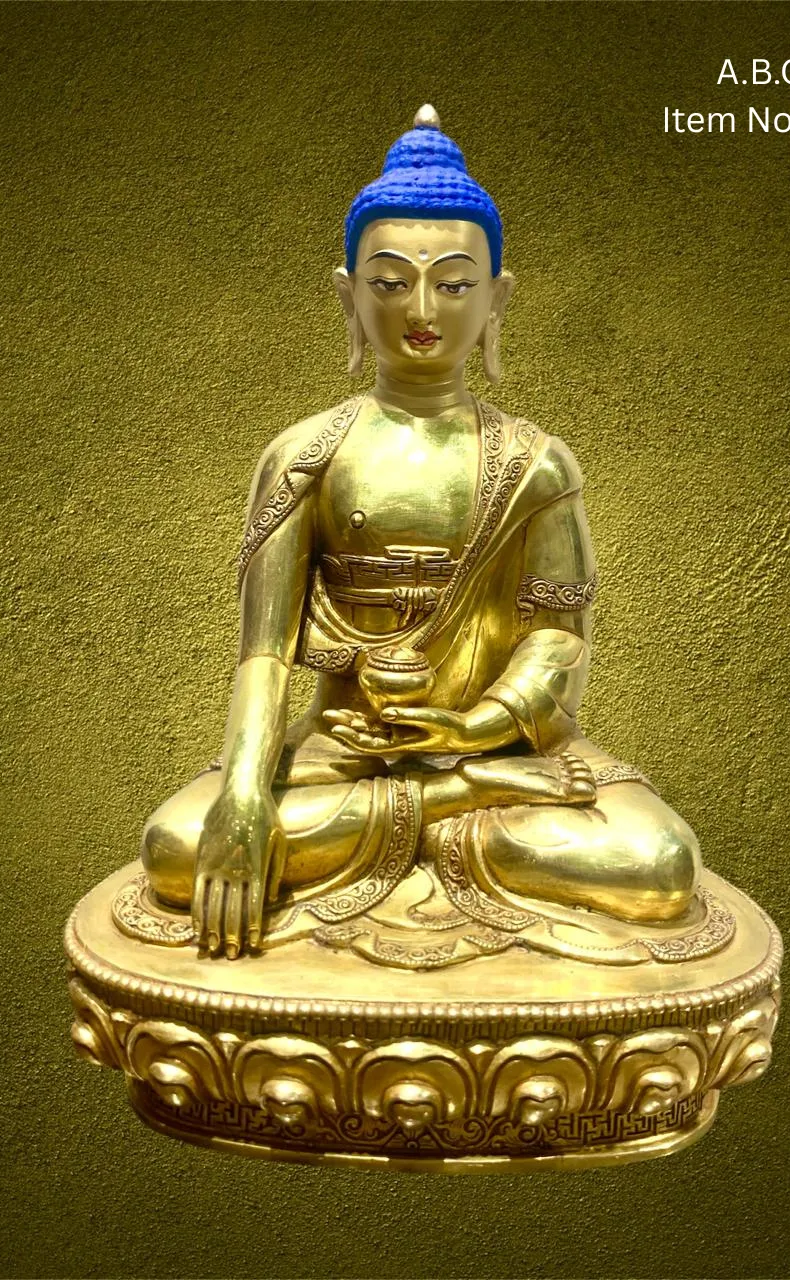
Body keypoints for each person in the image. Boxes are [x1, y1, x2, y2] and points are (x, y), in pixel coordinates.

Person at [140, 106, 700, 961]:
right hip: (344, 752)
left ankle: (433, 807)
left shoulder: (538, 464)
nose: (423, 308)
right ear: (348, 294)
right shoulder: (306, 456)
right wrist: (247, 793)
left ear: (498, 296)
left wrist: (472, 733)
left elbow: (557, 638)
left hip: (495, 747)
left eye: (456, 284)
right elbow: (264, 655)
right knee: (178, 847)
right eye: (392, 282)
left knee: (657, 864)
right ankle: (444, 808)